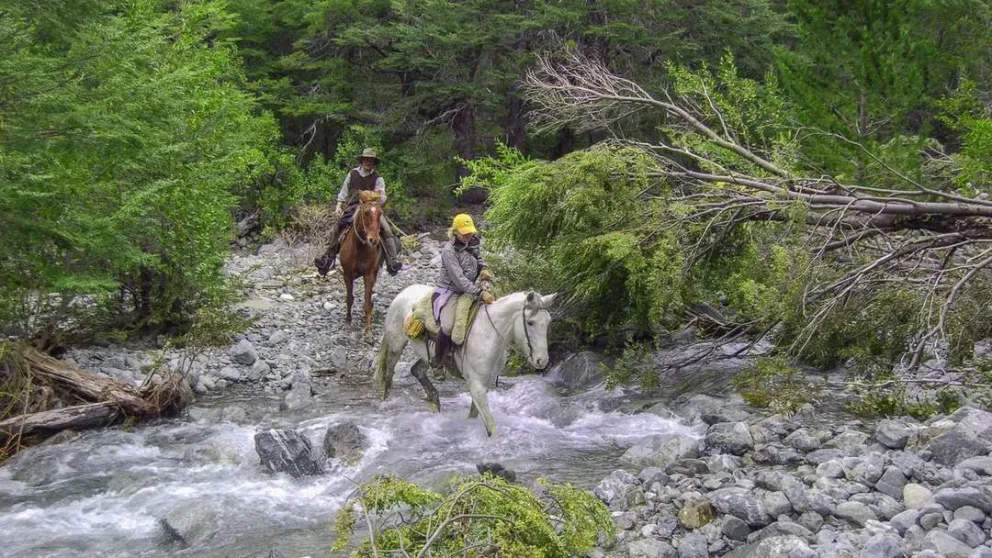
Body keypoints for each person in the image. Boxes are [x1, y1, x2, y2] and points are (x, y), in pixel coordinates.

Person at [314, 148, 402, 276]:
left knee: (387, 230)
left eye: (371, 160)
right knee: (338, 226)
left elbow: (382, 197)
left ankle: (392, 262)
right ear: (362, 160)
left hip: (372, 208)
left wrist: (371, 199)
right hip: (354, 206)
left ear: (374, 162)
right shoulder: (352, 174)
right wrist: (338, 206)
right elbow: (343, 192)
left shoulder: (378, 178)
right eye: (366, 159)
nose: (368, 162)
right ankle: (327, 259)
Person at [430, 213, 494, 367]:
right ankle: (438, 361)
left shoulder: (473, 241)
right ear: (455, 232)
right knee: (448, 326)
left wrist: (484, 268)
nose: (468, 236)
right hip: (451, 290)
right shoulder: (449, 251)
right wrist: (480, 292)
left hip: (470, 288)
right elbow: (459, 279)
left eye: (469, 232)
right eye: (464, 233)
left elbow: (478, 258)